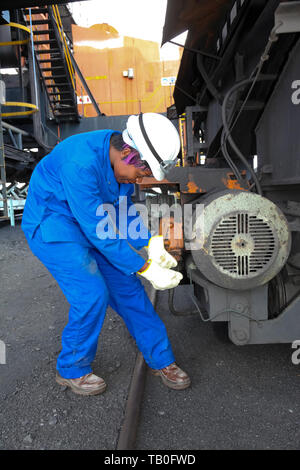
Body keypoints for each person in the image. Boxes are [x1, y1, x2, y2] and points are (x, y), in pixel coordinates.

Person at [22, 112, 191, 396]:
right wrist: (144, 266)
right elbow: (100, 230)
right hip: (54, 224)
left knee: (130, 291)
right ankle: (72, 368)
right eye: (144, 171)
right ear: (129, 154)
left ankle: (162, 360)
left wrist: (151, 242)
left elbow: (121, 214)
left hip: (88, 223)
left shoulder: (121, 162)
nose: (142, 179)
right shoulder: (80, 162)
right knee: (91, 293)